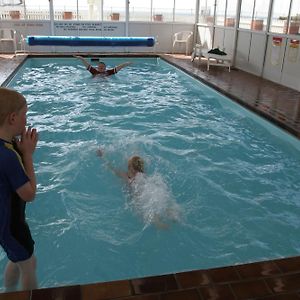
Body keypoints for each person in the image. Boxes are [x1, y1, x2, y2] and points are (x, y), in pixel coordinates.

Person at [0, 87, 39, 291]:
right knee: (29, 265)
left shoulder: (6, 146)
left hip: (4, 223)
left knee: (17, 261)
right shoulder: (8, 156)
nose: (27, 120)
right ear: (13, 118)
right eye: (25, 115)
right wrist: (28, 155)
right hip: (12, 227)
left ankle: (9, 293)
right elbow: (29, 194)